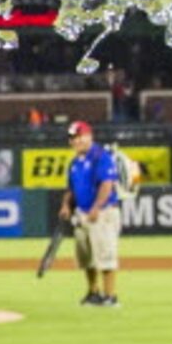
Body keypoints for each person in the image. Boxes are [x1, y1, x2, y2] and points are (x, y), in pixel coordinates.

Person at [61, 118, 124, 307]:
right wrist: (66, 205)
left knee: (106, 255)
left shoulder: (100, 156)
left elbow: (107, 184)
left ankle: (110, 296)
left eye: (79, 137)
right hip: (82, 213)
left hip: (103, 213)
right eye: (72, 138)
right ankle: (93, 293)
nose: (75, 141)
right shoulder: (74, 162)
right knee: (86, 258)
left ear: (89, 136)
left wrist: (97, 208)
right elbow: (71, 189)